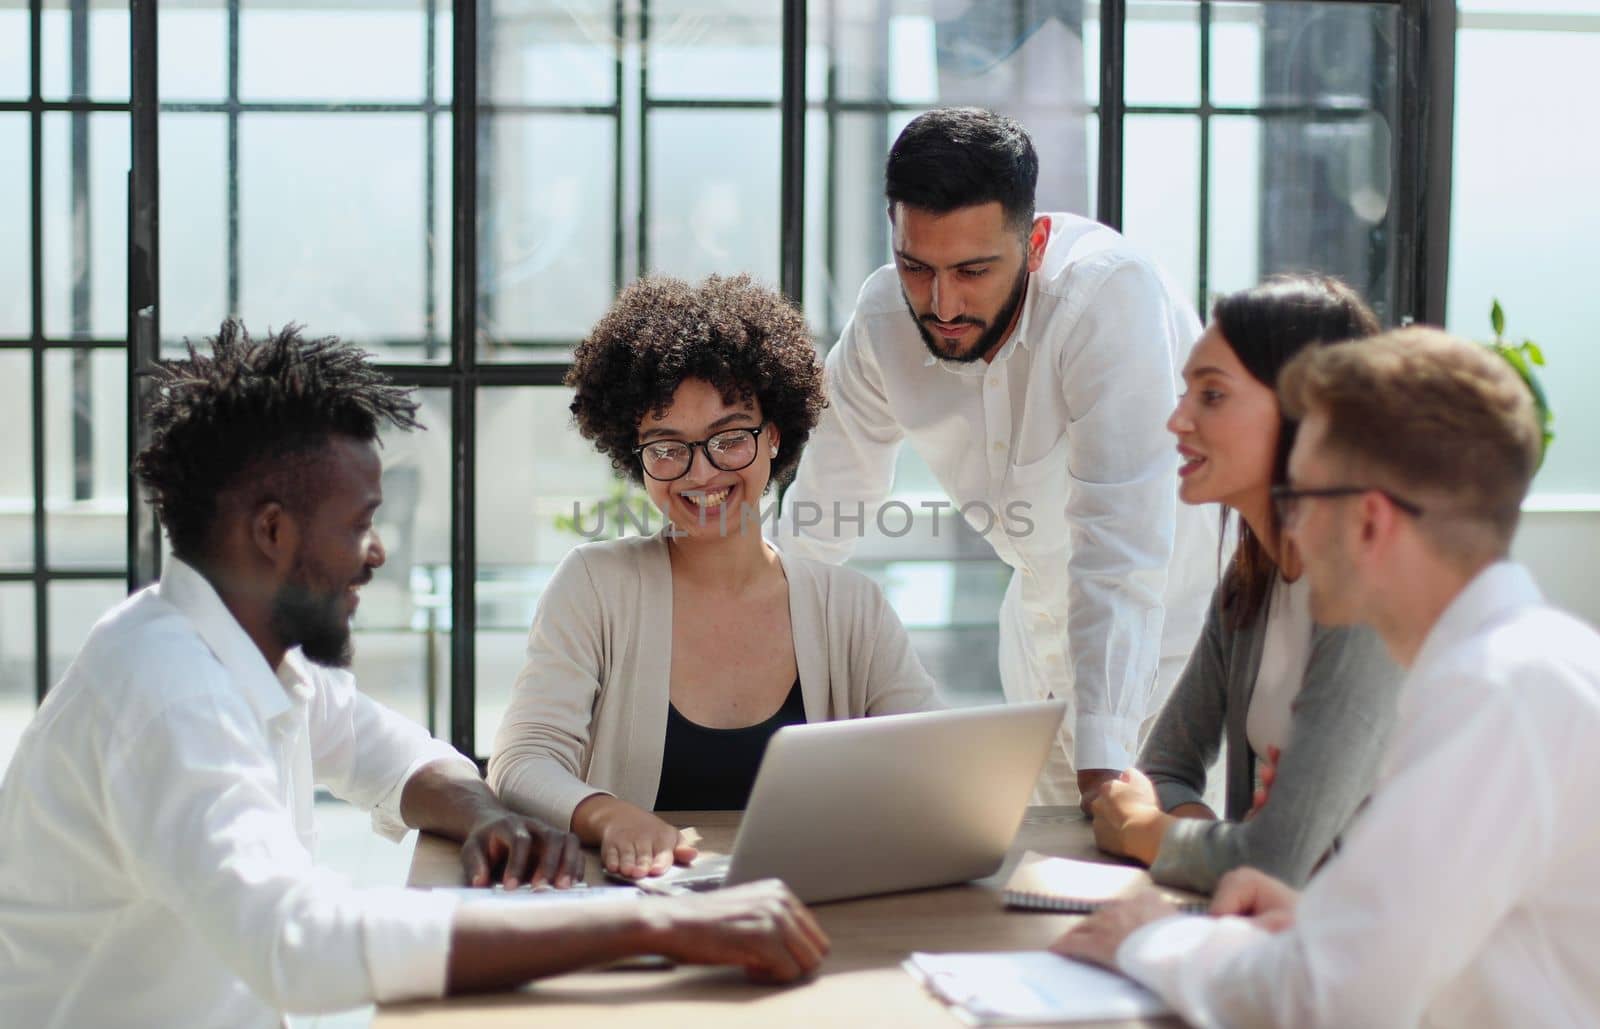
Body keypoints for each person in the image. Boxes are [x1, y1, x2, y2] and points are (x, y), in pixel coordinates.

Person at [0, 323, 828, 1027]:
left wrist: (479, 815)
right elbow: (301, 943)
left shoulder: (244, 650)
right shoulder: (166, 696)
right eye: (362, 522)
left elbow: (384, 750)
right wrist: (653, 924)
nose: (378, 551)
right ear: (272, 532)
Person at [1053, 327, 1600, 1025]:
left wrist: (1154, 939)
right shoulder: (1512, 672)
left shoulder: (1497, 691)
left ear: (1371, 522)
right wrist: (1321, 918)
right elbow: (1483, 946)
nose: (1289, 530)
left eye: (1301, 499)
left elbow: (1334, 997)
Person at [774, 107, 1214, 809]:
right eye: (916, 266)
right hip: (1034, 653)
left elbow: (1120, 549)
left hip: (1171, 647)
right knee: (1030, 897)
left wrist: (1105, 766)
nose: (943, 303)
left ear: (1035, 243)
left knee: (1152, 893)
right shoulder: (883, 319)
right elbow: (818, 523)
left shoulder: (1106, 295)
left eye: (974, 270)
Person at [489, 274, 943, 879]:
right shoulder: (594, 587)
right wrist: (609, 816)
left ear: (774, 435)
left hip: (817, 906)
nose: (700, 474)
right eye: (668, 446)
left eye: (729, 438)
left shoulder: (850, 608)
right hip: (646, 911)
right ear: (637, 457)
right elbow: (522, 760)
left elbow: (939, 761)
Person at [1087, 276, 1402, 893]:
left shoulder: (1370, 594)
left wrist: (1150, 834)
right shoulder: (1253, 579)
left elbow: (1272, 862)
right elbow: (1166, 767)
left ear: (1305, 413)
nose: (1178, 420)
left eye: (1212, 395)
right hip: (1285, 944)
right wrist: (1216, 847)